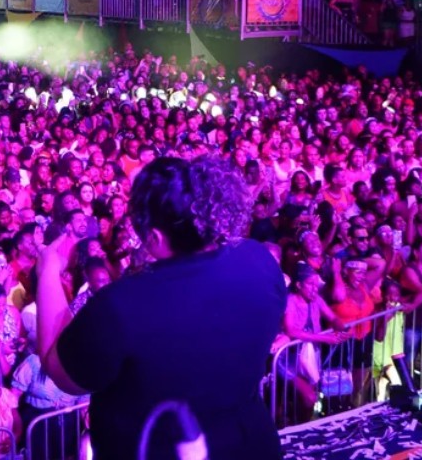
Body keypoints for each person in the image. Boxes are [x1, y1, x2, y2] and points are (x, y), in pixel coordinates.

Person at [37, 157, 287, 459]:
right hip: (250, 444)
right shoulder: (258, 260)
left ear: (154, 237)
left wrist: (49, 272)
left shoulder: (122, 305)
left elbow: (60, 371)